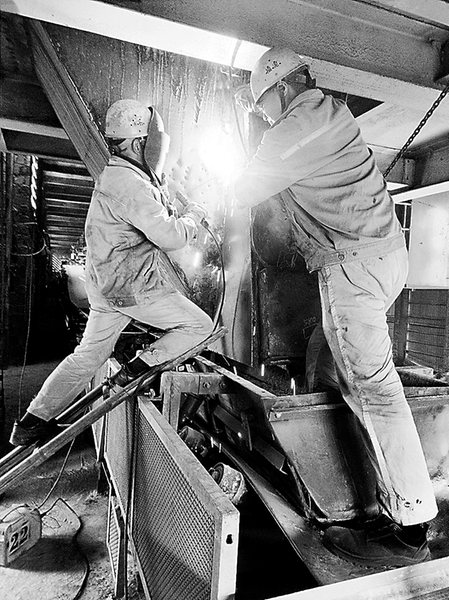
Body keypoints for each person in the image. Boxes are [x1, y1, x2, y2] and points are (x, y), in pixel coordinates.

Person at [233, 48, 437, 567]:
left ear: (281, 89)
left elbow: (242, 190)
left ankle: (410, 523)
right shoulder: (333, 110)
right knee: (326, 362)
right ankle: (350, 488)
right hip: (383, 258)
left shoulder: (294, 128)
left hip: (355, 270)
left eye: (262, 105)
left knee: (375, 392)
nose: (264, 116)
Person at [10, 99, 213, 447]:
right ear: (138, 143)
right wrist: (195, 212)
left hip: (107, 288)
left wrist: (167, 192)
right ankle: (137, 368)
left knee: (88, 356)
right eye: (152, 144)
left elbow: (147, 206)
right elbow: (172, 237)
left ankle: (31, 423)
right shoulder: (131, 185)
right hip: (131, 288)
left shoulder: (121, 175)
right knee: (199, 326)